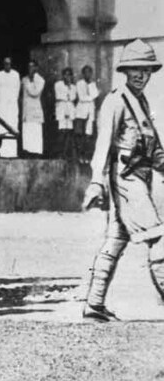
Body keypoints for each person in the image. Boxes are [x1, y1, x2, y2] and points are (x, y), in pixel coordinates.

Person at [81, 39, 164, 322]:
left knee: (116, 240)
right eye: (135, 69)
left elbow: (154, 149)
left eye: (146, 69)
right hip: (126, 180)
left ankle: (94, 304)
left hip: (140, 177)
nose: (141, 75)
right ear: (125, 71)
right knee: (159, 239)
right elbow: (103, 145)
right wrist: (96, 181)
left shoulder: (141, 102)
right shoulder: (116, 101)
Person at [0, 57, 21, 157]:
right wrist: (0, 102)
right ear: (3, 64)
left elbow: (17, 90)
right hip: (1, 107)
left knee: (12, 127)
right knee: (1, 128)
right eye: (6, 64)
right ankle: (2, 152)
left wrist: (11, 101)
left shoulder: (15, 75)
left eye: (9, 64)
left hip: (12, 107)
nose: (7, 66)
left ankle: (12, 153)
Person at [75, 65, 100, 164]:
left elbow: (96, 95)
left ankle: (86, 157)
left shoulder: (92, 84)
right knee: (79, 135)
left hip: (90, 113)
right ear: (83, 73)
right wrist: (91, 97)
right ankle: (79, 156)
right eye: (86, 72)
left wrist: (91, 95)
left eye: (89, 72)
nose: (87, 74)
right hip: (81, 113)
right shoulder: (79, 83)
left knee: (88, 136)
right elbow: (82, 98)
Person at [21, 60, 45, 157]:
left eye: (32, 66)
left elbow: (34, 93)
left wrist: (30, 82)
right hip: (26, 109)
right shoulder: (24, 79)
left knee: (35, 131)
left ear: (36, 68)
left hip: (35, 109)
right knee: (27, 130)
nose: (30, 69)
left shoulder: (40, 80)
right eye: (29, 67)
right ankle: (27, 151)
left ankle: (36, 152)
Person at [54, 67, 78, 161]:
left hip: (70, 110)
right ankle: (59, 153)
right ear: (63, 75)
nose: (67, 77)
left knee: (69, 133)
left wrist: (69, 89)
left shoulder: (73, 87)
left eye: (69, 75)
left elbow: (73, 97)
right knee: (62, 132)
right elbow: (59, 96)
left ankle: (65, 153)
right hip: (61, 109)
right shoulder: (58, 85)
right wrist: (67, 96)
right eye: (65, 75)